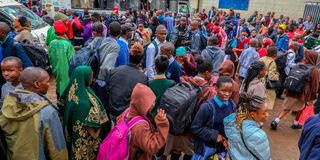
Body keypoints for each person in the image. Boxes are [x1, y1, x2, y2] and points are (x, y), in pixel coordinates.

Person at [0, 67, 68, 159]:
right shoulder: (47, 111)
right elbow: (57, 148)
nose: (49, 84)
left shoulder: (7, 104)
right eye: (47, 81)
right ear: (37, 84)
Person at [59, 66, 108, 159]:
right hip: (83, 141)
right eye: (91, 77)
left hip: (69, 132)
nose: (92, 79)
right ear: (84, 78)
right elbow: (87, 126)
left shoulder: (73, 89)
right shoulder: (82, 104)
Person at [116, 83, 169, 160]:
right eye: (149, 103)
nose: (153, 105)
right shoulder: (140, 126)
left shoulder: (128, 111)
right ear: (140, 103)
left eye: (153, 101)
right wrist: (162, 124)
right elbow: (152, 147)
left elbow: (118, 121)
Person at [271, 50, 319, 130]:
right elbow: (315, 85)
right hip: (302, 93)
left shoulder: (298, 65)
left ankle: (278, 121)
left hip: (291, 89)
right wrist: (313, 97)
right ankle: (291, 122)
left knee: (289, 107)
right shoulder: (314, 70)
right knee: (301, 107)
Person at [191, 76, 235, 159]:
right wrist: (215, 135)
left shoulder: (232, 105)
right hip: (206, 149)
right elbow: (195, 128)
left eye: (230, 91)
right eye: (223, 91)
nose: (227, 94)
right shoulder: (207, 107)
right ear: (216, 88)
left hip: (222, 150)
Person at [107, 43, 148, 120]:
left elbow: (107, 90)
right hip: (126, 117)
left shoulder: (115, 71)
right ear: (141, 60)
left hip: (111, 113)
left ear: (129, 56)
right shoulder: (143, 78)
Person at [48, 20, 75, 97]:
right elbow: (72, 61)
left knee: (58, 85)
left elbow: (50, 57)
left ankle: (59, 102)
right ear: (65, 30)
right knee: (66, 89)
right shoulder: (67, 44)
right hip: (66, 71)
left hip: (55, 70)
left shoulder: (52, 43)